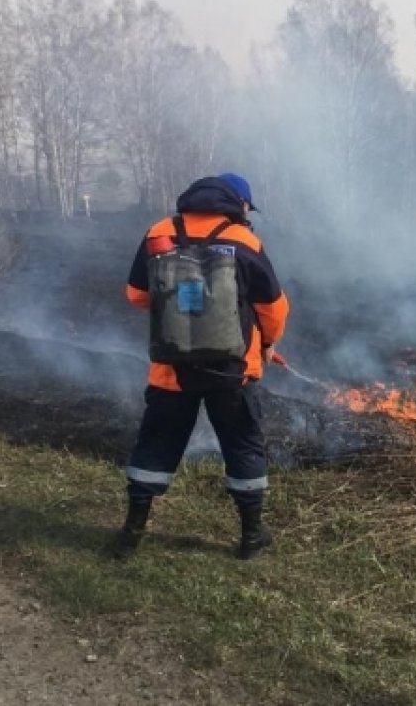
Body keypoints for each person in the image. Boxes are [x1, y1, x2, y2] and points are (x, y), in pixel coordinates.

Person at [110, 172, 290, 561]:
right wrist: (267, 343)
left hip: (171, 370)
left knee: (155, 445)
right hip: (233, 371)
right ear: (239, 204)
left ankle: (131, 535)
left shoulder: (159, 231)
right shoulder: (244, 240)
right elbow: (273, 309)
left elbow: (136, 295)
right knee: (242, 445)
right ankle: (251, 537)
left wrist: (178, 307)